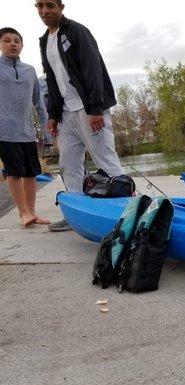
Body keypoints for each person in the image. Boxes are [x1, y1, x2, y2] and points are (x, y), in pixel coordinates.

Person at [35, 0, 125, 231]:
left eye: (50, 5)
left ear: (61, 7)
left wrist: (95, 108)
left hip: (89, 111)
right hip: (66, 114)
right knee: (68, 164)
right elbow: (52, 80)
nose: (45, 11)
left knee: (105, 158)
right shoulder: (45, 40)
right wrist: (53, 114)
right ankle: (75, 213)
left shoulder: (77, 31)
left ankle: (126, 212)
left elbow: (92, 68)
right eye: (40, 6)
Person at [0, 27, 50, 227]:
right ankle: (23, 213)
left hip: (28, 131)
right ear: (1, 44)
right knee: (14, 172)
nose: (12, 44)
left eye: (16, 41)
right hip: (4, 131)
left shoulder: (30, 70)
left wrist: (45, 129)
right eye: (7, 40)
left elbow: (39, 102)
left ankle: (33, 213)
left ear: (21, 45)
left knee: (31, 173)